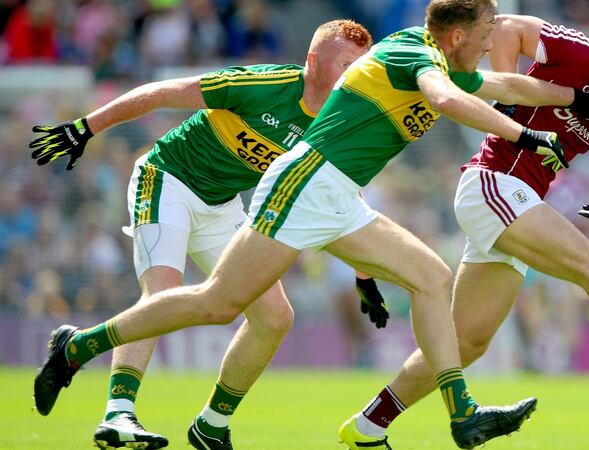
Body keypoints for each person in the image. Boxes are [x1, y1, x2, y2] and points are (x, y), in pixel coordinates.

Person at [33, 1, 589, 448]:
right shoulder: (415, 56)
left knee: (429, 275)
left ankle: (462, 413)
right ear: (454, 36)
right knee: (218, 303)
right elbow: (446, 101)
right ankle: (79, 345)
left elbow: (505, 83)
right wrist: (525, 132)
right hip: (306, 181)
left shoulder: (450, 64)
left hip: (337, 195)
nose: (492, 44)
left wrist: (575, 98)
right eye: (484, 37)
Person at [340, 10, 589, 446]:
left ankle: (368, 426)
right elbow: (505, 29)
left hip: (515, 201)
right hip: (492, 181)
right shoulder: (581, 56)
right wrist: (507, 95)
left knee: (466, 342)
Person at [29, 19, 379, 450]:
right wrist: (87, 127)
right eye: (344, 64)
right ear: (311, 61)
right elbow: (161, 92)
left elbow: (347, 198)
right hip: (167, 178)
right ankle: (119, 414)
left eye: (359, 68)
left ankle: (211, 424)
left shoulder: (340, 119)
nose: (351, 76)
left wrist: (365, 273)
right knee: (162, 295)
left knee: (275, 316)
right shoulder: (264, 85)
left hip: (222, 205)